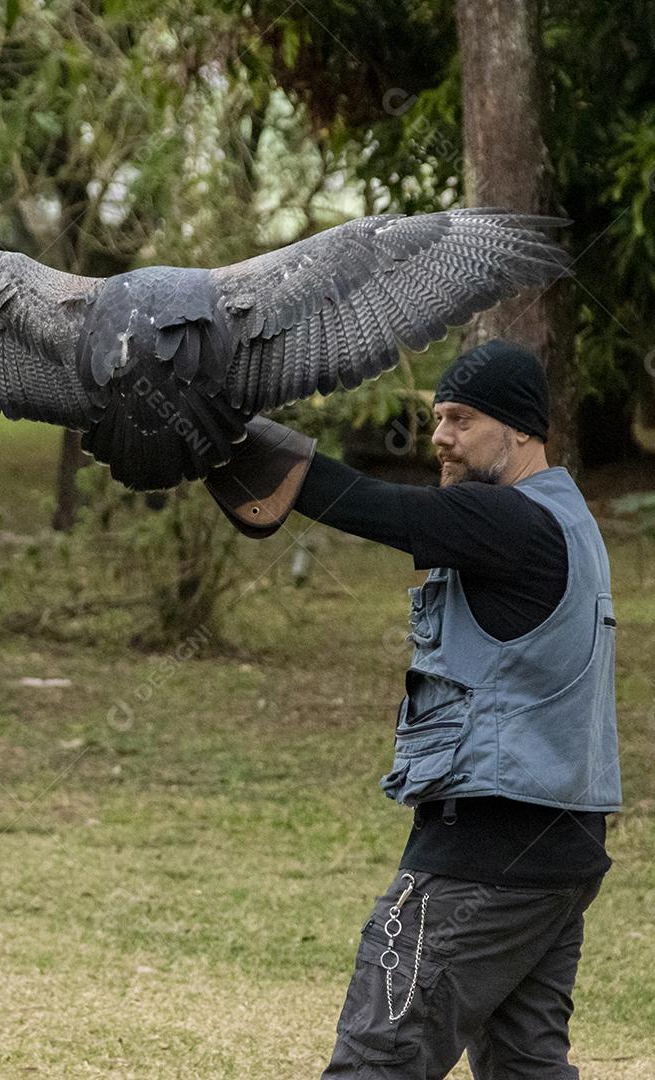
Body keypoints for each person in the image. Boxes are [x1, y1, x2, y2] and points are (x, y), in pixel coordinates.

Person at [204, 338, 621, 1079]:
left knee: (377, 1059)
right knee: (527, 1068)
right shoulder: (568, 521)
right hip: (556, 855)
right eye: (437, 418)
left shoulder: (510, 520)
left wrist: (228, 439)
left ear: (522, 429)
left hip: (484, 856)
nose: (439, 437)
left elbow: (381, 509)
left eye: (461, 419)